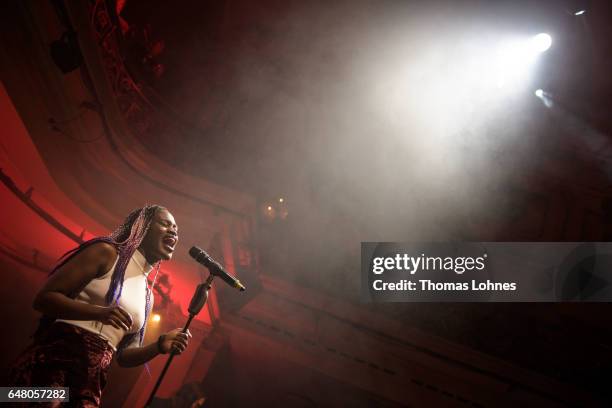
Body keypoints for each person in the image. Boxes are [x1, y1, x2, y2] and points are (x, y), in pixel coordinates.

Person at [9, 205, 191, 407]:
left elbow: (124, 356)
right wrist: (98, 313)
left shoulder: (147, 295)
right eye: (165, 224)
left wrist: (159, 345)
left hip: (89, 383)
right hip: (52, 364)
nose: (173, 231)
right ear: (143, 226)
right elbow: (43, 299)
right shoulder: (106, 253)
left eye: (176, 228)